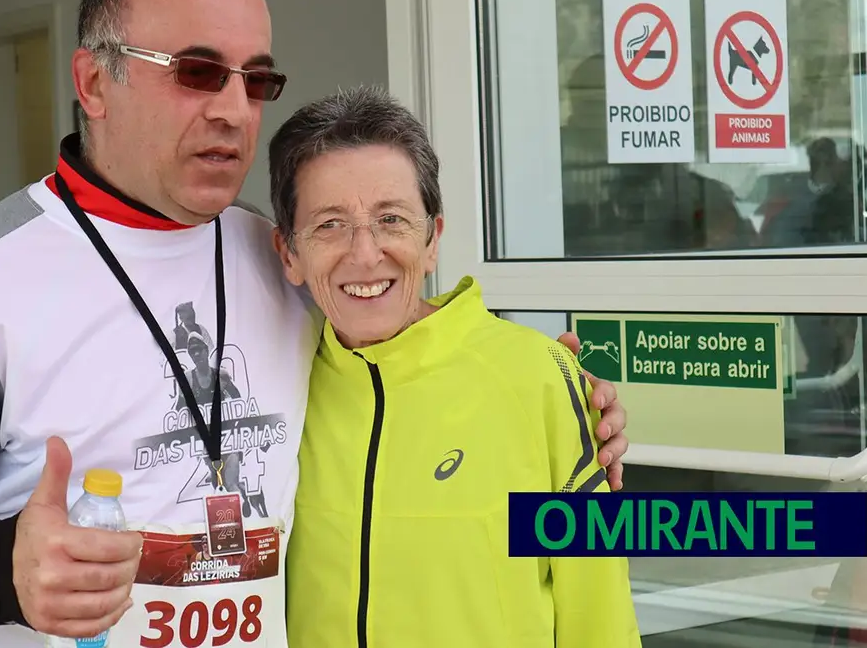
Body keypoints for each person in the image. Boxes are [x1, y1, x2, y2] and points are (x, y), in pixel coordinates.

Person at [0, 0, 631, 647]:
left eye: (257, 80)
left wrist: (553, 397)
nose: (233, 109)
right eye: (196, 71)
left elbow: (399, 357)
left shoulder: (277, 255)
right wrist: (3, 570)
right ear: (93, 81)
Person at [270, 86, 641, 647]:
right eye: (329, 224)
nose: (365, 253)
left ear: (433, 238)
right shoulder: (275, 384)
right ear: (288, 254)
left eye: (391, 219)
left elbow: (601, 616)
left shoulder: (539, 378)